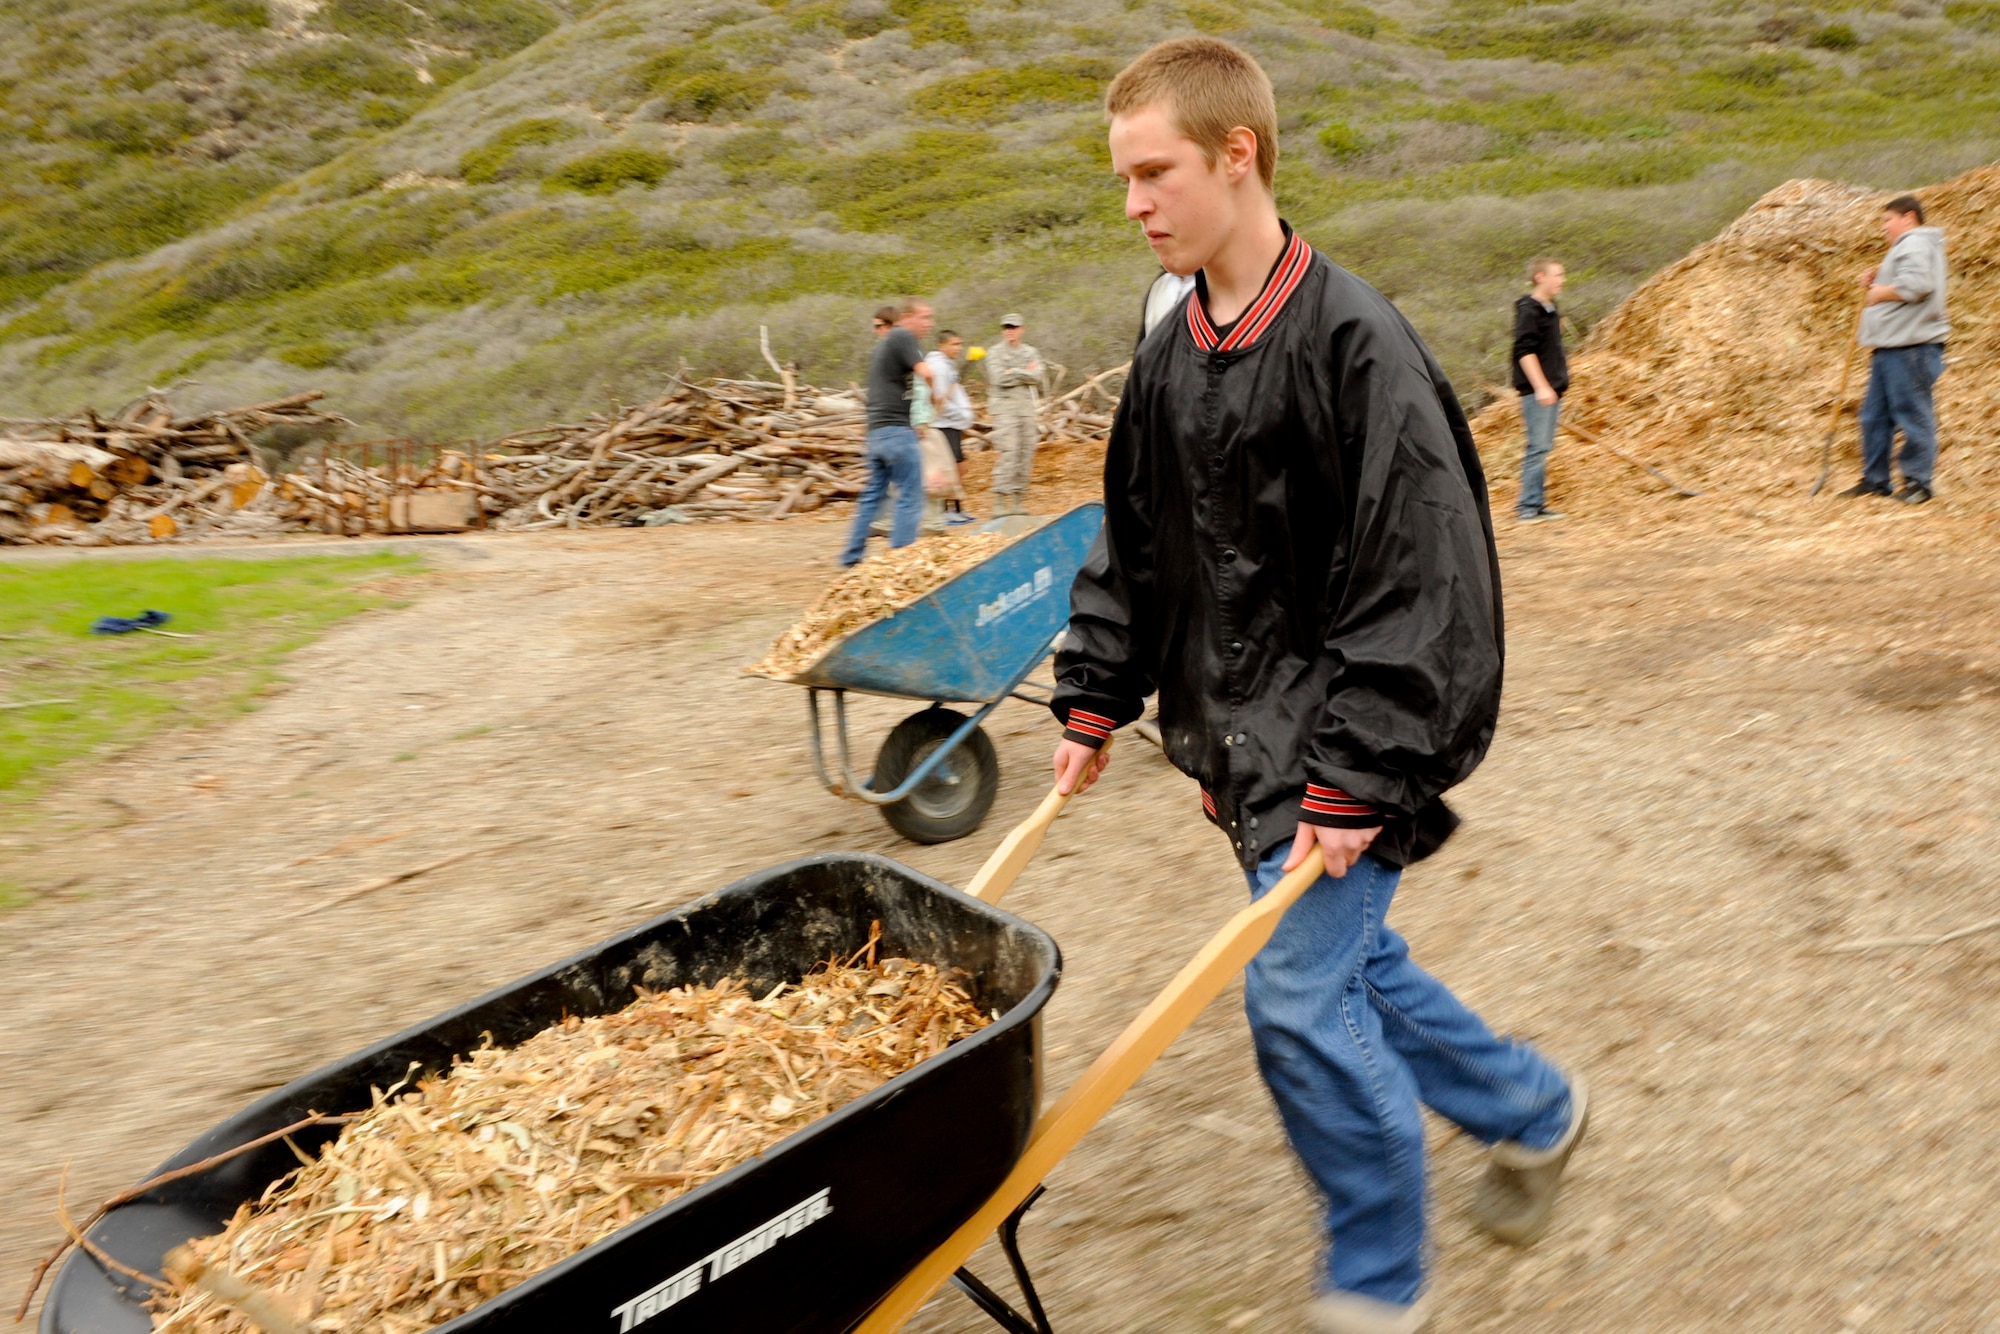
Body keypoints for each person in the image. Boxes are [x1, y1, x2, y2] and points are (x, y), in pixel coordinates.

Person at [1050, 37, 1586, 1334]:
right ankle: (1533, 1107)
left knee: (1294, 992)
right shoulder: (1176, 347)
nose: (1133, 203)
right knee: (1349, 967)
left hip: (1346, 744)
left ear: (1240, 155)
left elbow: (1425, 582)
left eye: (1154, 171)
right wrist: (1095, 693)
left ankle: (1375, 1280)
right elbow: (1141, 536)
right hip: (1245, 741)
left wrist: (1356, 774)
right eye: (1123, 178)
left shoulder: (1359, 346)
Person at [1840, 194, 1949, 504]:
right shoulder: (1910, 246)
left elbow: (1917, 285)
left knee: (1912, 413)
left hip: (1911, 347)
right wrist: (1881, 278)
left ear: (1909, 217)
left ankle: (1918, 483)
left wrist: (1880, 292)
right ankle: (1875, 480)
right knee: (1874, 414)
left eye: (1887, 220)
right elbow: (1909, 279)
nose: (1883, 227)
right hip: (1892, 346)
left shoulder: (1915, 242)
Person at [840, 298, 936, 567]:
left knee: (873, 496)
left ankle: (851, 559)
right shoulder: (903, 335)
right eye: (925, 317)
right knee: (911, 495)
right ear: (907, 317)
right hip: (896, 433)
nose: (930, 323)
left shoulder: (884, 345)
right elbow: (926, 373)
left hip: (877, 433)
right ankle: (900, 562)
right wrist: (934, 398)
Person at [1511, 257, 1568, 522]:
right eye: (1556, 275)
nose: (1562, 280)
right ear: (1540, 277)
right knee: (1537, 448)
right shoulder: (1529, 310)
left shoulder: (1549, 308)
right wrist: (1542, 386)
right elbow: (1524, 352)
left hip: (1552, 390)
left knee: (1543, 448)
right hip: (1539, 392)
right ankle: (1527, 507)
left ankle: (1536, 503)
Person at [983, 314, 1046, 517]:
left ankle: (1018, 499)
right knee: (1009, 452)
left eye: (1014, 327)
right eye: (1006, 327)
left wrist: (1014, 371)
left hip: (1026, 408)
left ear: (1022, 329)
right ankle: (1000, 501)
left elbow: (1038, 376)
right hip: (1005, 408)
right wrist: (1023, 373)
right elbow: (999, 378)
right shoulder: (995, 352)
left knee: (1026, 451)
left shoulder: (1030, 351)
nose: (1010, 330)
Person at [926, 331, 977, 521]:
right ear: (942, 346)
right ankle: (945, 509)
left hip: (952, 423)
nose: (959, 348)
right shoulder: (938, 367)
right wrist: (962, 414)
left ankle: (956, 507)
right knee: (951, 466)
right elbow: (940, 399)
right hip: (943, 423)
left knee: (957, 466)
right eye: (954, 344)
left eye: (960, 344)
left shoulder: (949, 366)